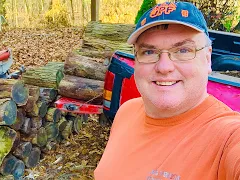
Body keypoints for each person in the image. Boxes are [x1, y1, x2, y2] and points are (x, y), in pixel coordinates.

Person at [94, 1, 240, 180]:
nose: (164, 67)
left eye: (183, 50)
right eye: (149, 52)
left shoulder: (227, 137)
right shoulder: (126, 111)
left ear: (208, 59)